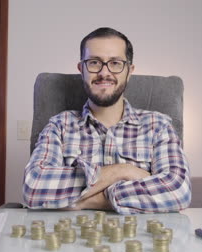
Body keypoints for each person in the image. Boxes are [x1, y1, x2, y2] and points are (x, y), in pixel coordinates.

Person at [23, 27, 191, 214]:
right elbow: (34, 187)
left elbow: (178, 191)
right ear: (81, 69)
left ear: (129, 71)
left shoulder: (158, 126)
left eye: (116, 63)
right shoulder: (59, 125)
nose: (105, 72)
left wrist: (87, 201)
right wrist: (123, 171)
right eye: (94, 62)